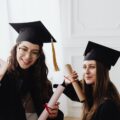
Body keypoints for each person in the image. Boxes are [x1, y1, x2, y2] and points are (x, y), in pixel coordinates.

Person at [0, 21, 63, 120]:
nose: (28, 56)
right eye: (24, 49)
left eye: (34, 52)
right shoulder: (4, 78)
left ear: (39, 56)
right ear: (17, 48)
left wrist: (54, 115)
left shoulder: (43, 82)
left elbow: (52, 114)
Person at [63, 41, 120, 120]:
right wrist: (66, 82)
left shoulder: (108, 106)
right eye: (84, 67)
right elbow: (74, 94)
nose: (86, 72)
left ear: (102, 71)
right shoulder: (92, 95)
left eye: (92, 67)